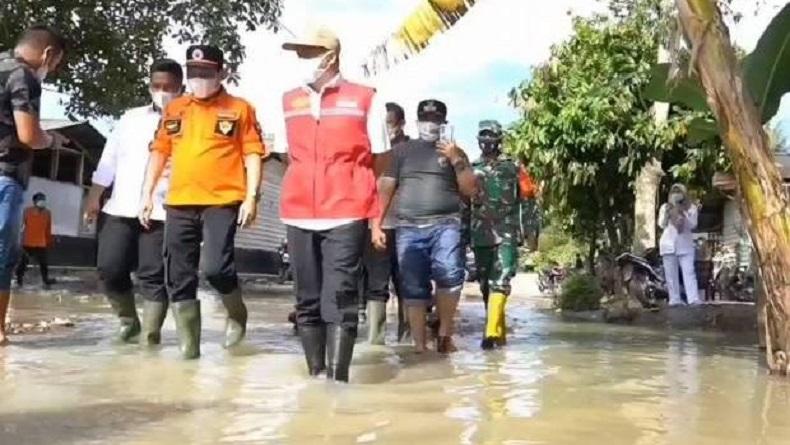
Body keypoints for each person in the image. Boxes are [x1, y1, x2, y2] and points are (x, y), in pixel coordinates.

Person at [275, 26, 390, 381]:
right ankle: (316, 379)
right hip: (298, 211)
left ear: (331, 56)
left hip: (346, 210)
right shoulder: (288, 100)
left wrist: (356, 188)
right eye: (300, 53)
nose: (302, 59)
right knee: (306, 299)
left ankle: (338, 383)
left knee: (340, 296)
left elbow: (380, 158)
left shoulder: (365, 98)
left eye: (309, 52)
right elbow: (285, 154)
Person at [140, 45, 265, 359]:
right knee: (178, 274)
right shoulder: (175, 108)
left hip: (222, 200)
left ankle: (236, 312)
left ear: (222, 73)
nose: (199, 77)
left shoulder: (240, 108)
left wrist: (251, 197)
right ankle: (189, 351)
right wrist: (146, 194)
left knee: (215, 268)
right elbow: (160, 151)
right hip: (179, 201)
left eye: (206, 72)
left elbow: (252, 153)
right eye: (193, 71)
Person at [84, 59, 184, 345]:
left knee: (153, 275)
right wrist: (94, 196)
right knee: (109, 269)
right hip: (121, 206)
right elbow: (109, 159)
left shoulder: (190, 120)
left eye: (169, 87)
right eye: (157, 86)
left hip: (163, 211)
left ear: (181, 87)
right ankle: (128, 322)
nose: (162, 92)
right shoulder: (130, 118)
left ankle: (150, 338)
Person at [378, 99, 477, 353]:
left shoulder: (456, 151)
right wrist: (376, 224)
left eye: (435, 120)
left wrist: (456, 159)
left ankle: (444, 335)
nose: (430, 124)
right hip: (408, 227)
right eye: (426, 119)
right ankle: (419, 347)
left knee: (449, 274)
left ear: (444, 123)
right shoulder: (402, 151)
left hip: (446, 224)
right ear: (417, 121)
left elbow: (471, 190)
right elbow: (386, 187)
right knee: (412, 284)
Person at [0, 26, 67, 345]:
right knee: (2, 255)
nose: (50, 70)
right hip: (4, 174)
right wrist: (51, 139)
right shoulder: (23, 76)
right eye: (54, 64)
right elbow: (29, 135)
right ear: (47, 54)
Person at [470, 120, 530, 349]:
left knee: (502, 278)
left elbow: (529, 198)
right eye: (483, 136)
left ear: (499, 139)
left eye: (491, 136)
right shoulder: (471, 168)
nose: (487, 141)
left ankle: (490, 334)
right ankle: (498, 335)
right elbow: (463, 203)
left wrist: (531, 230)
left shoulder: (514, 168)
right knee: (485, 284)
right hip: (480, 233)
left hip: (507, 231)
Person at [361, 101, 410, 345]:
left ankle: (408, 339)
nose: (386, 129)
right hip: (375, 226)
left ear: (401, 124)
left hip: (405, 227)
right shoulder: (370, 151)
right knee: (376, 285)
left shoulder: (410, 152)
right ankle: (375, 343)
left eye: (390, 124)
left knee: (407, 284)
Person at [658, 183, 701, 306]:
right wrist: (668, 214)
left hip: (685, 245)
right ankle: (674, 299)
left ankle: (693, 299)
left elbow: (693, 224)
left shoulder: (691, 208)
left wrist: (683, 211)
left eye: (679, 192)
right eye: (674, 192)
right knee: (671, 275)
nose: (676, 194)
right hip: (668, 245)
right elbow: (661, 224)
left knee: (689, 272)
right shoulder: (665, 207)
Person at [16, 192, 54, 288]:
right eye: (40, 199)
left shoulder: (47, 213)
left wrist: (49, 241)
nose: (42, 201)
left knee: (44, 263)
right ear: (34, 201)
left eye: (43, 199)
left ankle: (45, 280)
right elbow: (22, 225)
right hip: (28, 242)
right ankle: (19, 279)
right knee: (23, 262)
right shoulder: (27, 211)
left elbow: (48, 229)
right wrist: (20, 239)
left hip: (41, 242)